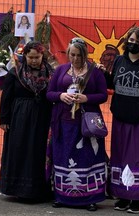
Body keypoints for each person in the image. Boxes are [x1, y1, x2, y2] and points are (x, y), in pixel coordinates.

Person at [103, 26, 139, 214]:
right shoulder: (119, 60)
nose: (132, 43)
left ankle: (137, 198)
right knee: (120, 156)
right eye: (130, 40)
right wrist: (103, 74)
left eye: (137, 41)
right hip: (121, 117)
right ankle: (122, 195)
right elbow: (112, 84)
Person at [46, 37, 108, 211]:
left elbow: (103, 95)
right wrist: (61, 96)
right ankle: (61, 196)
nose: (74, 59)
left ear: (85, 54)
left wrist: (86, 98)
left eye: (78, 55)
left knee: (87, 157)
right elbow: (49, 93)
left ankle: (90, 198)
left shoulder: (95, 72)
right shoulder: (61, 70)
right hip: (63, 122)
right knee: (63, 156)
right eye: (71, 55)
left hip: (86, 124)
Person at [0, 41, 54, 201]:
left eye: (37, 57)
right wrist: (4, 119)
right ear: (25, 56)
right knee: (20, 149)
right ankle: (18, 189)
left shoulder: (51, 73)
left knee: (39, 151)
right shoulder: (15, 72)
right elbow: (6, 97)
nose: (34, 60)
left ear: (42, 56)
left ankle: (39, 189)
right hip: (20, 118)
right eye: (30, 57)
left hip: (43, 117)